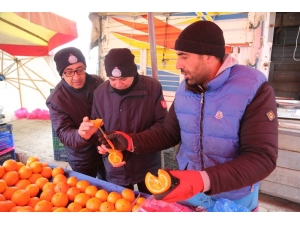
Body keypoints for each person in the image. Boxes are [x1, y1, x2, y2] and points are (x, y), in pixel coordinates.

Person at [98, 21, 278, 211]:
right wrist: (129, 141)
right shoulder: (186, 88)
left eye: (183, 56)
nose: (178, 65)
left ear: (209, 55)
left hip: (235, 198)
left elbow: (262, 158)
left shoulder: (253, 88)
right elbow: (168, 133)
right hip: (190, 193)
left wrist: (203, 179)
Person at [89, 48, 168, 194]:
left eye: (123, 78)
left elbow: (162, 125)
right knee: (120, 206)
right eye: (113, 80)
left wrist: (132, 141)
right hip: (116, 165)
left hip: (147, 162)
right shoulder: (100, 92)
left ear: (134, 72)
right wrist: (101, 144)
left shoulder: (153, 88)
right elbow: (97, 125)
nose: (118, 84)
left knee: (151, 205)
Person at [46, 47, 106, 179]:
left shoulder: (98, 82)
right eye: (69, 72)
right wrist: (80, 134)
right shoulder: (56, 100)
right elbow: (63, 133)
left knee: (110, 189)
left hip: (105, 148)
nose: (76, 77)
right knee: (84, 193)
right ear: (62, 74)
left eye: (80, 70)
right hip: (82, 157)